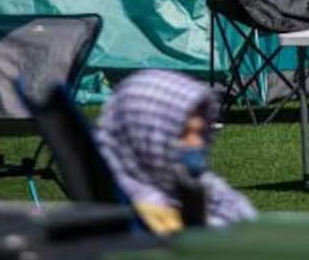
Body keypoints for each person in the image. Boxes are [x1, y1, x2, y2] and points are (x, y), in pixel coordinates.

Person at [94, 70, 256, 234]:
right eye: (183, 133)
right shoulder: (128, 219)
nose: (196, 143)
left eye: (200, 132)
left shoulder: (212, 193)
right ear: (144, 134)